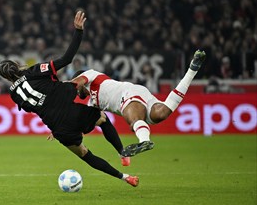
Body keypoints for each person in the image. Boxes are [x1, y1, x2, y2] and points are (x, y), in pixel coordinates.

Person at [0, 11, 137, 187]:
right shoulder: (34, 71)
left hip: (58, 127)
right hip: (70, 108)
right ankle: (123, 153)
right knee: (102, 119)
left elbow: (35, 107)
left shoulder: (13, 94)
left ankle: (125, 177)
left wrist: (55, 124)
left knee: (86, 155)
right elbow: (67, 59)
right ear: (16, 64)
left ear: (6, 78)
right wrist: (78, 31)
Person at [71, 50, 206, 157]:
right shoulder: (92, 103)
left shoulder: (91, 75)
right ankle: (192, 69)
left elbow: (75, 83)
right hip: (140, 94)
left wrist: (59, 90)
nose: (77, 93)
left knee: (133, 119)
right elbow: (95, 122)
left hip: (128, 93)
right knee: (161, 114)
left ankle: (144, 141)